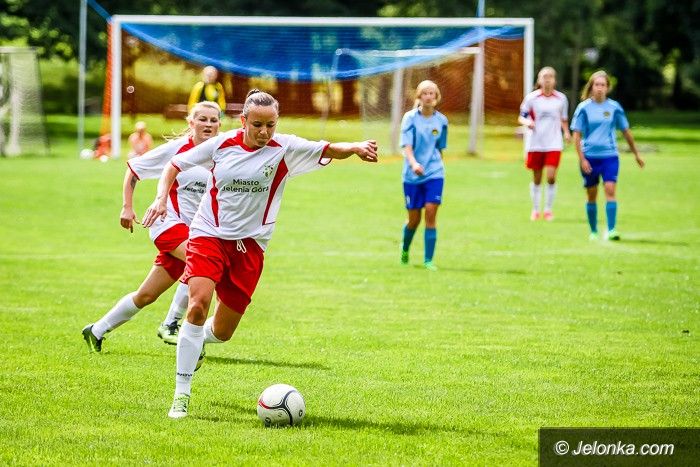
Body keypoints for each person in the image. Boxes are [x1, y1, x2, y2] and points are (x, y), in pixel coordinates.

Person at [141, 89, 378, 419]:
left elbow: (326, 148)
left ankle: (196, 341)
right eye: (257, 125)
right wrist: (160, 199)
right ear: (243, 121)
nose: (264, 132)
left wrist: (355, 147)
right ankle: (181, 395)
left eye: (270, 125)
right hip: (208, 235)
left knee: (223, 332)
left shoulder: (284, 148)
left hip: (250, 246)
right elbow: (174, 165)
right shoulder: (221, 145)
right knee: (197, 304)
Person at [81, 101, 222, 352]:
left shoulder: (222, 151)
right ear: (191, 123)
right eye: (202, 119)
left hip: (193, 232)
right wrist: (127, 207)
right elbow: (134, 169)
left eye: (213, 120)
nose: (208, 124)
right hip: (167, 224)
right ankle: (171, 323)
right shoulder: (177, 149)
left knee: (146, 295)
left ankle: (96, 330)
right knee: (204, 263)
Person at [571, 70, 644, 241]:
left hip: (609, 156)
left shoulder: (614, 108)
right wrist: (582, 159)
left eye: (603, 85)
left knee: (610, 189)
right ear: (591, 87)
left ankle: (612, 230)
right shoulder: (583, 108)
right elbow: (577, 135)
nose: (599, 88)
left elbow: (626, 131)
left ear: (608, 88)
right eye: (597, 85)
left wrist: (636, 154)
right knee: (592, 194)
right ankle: (593, 231)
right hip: (589, 157)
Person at [398, 80, 448, 271]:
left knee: (430, 212)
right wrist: (414, 164)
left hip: (434, 173)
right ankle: (405, 249)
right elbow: (407, 146)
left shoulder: (441, 121)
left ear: (436, 97)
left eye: (431, 93)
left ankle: (428, 260)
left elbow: (440, 148)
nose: (428, 96)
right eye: (425, 93)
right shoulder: (410, 118)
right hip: (412, 175)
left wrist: (438, 168)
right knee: (414, 219)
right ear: (419, 96)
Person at [518, 66, 571, 221]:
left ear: (554, 80)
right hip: (535, 143)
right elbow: (521, 116)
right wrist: (528, 122)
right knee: (537, 178)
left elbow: (564, 119)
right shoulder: (531, 98)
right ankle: (535, 210)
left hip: (554, 143)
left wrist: (566, 132)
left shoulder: (561, 99)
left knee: (551, 176)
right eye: (544, 77)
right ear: (539, 80)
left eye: (550, 77)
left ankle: (548, 209)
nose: (547, 80)